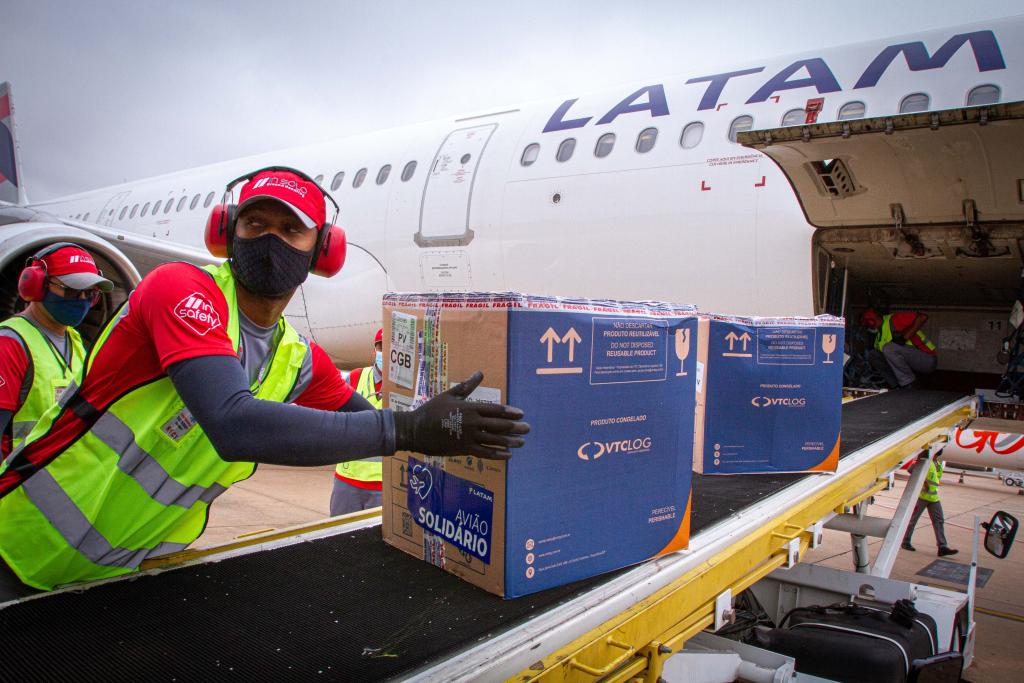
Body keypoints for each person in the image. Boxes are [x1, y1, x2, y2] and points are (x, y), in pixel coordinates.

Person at [0, 167, 529, 595]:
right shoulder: (181, 290)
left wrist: (454, 433)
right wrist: (409, 430)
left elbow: (368, 426)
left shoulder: (296, 359)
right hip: (21, 548)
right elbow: (235, 424)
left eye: (291, 230)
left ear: (321, 252)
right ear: (228, 234)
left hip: (123, 568)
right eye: (255, 225)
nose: (271, 240)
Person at [0, 243, 112, 457]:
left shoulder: (75, 342)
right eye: (71, 290)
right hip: (14, 475)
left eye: (90, 292)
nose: (82, 300)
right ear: (36, 285)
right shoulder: (10, 344)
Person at [330, 328, 384, 515]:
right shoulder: (356, 377)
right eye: (381, 347)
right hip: (347, 480)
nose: (384, 353)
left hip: (382, 484)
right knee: (339, 531)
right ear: (374, 350)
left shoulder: (403, 387)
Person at [861, 308, 937, 389]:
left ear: (871, 321)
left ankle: (909, 384)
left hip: (926, 358)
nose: (868, 328)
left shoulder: (895, 319)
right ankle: (896, 386)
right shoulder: (879, 338)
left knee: (888, 348)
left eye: (867, 325)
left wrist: (904, 338)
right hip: (908, 364)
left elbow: (923, 317)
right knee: (873, 354)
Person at [901, 450, 958, 557]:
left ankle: (942, 547)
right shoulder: (925, 461)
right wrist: (923, 481)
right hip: (921, 496)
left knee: (939, 520)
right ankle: (905, 541)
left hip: (933, 497)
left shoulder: (938, 465)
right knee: (913, 520)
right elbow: (911, 469)